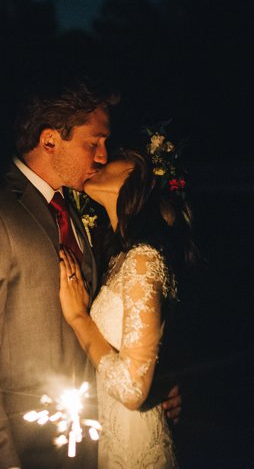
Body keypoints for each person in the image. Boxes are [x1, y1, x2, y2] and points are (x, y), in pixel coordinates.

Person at [0, 80, 181, 469]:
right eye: (94, 142)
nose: (103, 156)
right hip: (29, 449)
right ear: (50, 140)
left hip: (95, 447)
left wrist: (154, 384)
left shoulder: (77, 212)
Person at [58, 138, 199, 468]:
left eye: (114, 157)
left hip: (137, 451)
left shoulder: (143, 261)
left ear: (136, 173)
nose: (100, 159)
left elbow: (134, 387)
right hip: (111, 443)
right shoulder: (118, 258)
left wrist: (79, 318)